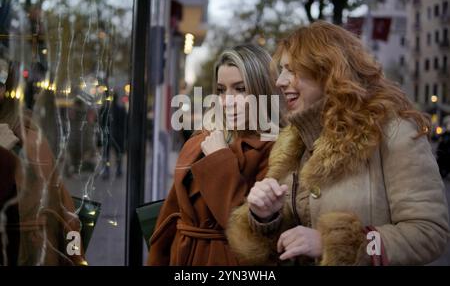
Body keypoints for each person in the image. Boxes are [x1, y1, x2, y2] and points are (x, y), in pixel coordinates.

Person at [226, 21, 450, 266]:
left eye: (291, 70)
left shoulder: (394, 132)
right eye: (281, 71)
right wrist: (265, 217)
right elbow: (287, 240)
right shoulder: (290, 145)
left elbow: (429, 232)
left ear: (328, 71)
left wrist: (334, 244)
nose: (280, 81)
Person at [147, 44, 281, 265]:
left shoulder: (275, 149)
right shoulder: (202, 139)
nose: (227, 100)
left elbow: (246, 227)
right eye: (221, 90)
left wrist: (219, 159)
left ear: (262, 90)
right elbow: (170, 214)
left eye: (240, 89)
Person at [0, 59, 85, 265]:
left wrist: (77, 257)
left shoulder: (26, 135)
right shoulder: (25, 134)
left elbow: (66, 214)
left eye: (1, 83)